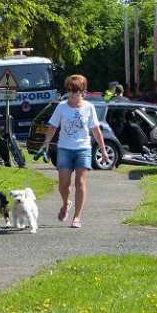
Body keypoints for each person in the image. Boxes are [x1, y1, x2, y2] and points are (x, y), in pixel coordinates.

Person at [41, 74, 109, 229]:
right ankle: (66, 203)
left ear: (82, 92)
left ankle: (77, 217)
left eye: (75, 91)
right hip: (64, 148)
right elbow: (52, 126)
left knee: (80, 182)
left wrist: (103, 150)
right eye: (69, 90)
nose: (71, 94)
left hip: (83, 149)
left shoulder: (89, 108)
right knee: (63, 185)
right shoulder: (61, 107)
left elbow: (96, 130)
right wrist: (46, 142)